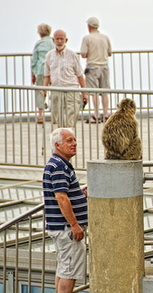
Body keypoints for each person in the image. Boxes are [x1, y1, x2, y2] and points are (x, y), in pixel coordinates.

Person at [43, 128, 88, 293]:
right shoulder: (59, 166)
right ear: (57, 145)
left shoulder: (57, 164)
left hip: (61, 228)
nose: (74, 143)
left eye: (74, 140)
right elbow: (61, 198)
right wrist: (74, 225)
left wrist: (79, 194)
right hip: (66, 229)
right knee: (69, 271)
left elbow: (64, 193)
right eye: (69, 141)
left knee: (64, 269)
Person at [43, 30, 88, 128]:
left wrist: (84, 92)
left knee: (70, 120)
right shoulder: (49, 55)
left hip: (71, 90)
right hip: (56, 90)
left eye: (61, 39)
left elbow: (80, 75)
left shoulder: (72, 55)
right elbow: (47, 75)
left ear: (66, 40)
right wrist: (44, 89)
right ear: (53, 40)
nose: (59, 41)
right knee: (58, 120)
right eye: (57, 39)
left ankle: (70, 139)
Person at [80, 17, 112, 123]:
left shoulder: (87, 38)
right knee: (105, 92)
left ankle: (96, 115)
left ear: (89, 26)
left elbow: (83, 54)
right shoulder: (105, 37)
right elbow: (109, 53)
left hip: (92, 66)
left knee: (94, 92)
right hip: (104, 66)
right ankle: (106, 114)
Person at [31, 23, 55, 123]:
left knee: (40, 91)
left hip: (41, 69)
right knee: (54, 90)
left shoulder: (39, 43)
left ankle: (40, 115)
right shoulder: (53, 42)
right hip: (53, 69)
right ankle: (55, 113)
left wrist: (33, 73)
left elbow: (34, 60)